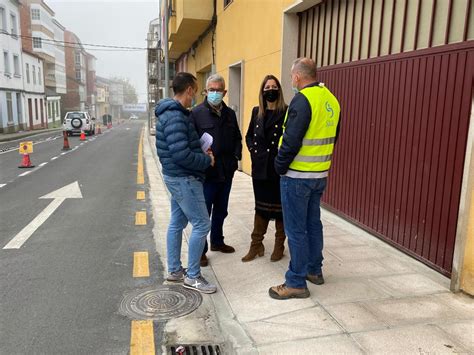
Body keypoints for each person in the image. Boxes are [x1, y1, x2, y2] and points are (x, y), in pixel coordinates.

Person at [269, 58, 341, 300]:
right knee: (313, 224)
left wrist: (279, 166)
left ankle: (296, 282)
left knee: (296, 229)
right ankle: (314, 269)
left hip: (297, 177)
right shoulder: (331, 99)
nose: (292, 81)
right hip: (319, 175)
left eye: (292, 77)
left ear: (297, 76)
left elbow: (291, 139)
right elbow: (334, 137)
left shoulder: (302, 99)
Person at [155, 72, 217, 294]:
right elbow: (181, 154)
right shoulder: (175, 116)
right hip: (184, 178)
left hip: (177, 176)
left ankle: (174, 270)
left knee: (177, 222)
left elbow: (179, 149)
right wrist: (206, 160)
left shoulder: (174, 113)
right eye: (197, 90)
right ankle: (193, 276)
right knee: (202, 224)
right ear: (189, 89)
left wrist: (198, 149)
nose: (196, 96)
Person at [190, 74, 242, 267]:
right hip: (207, 174)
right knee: (204, 213)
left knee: (221, 210)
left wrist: (236, 156)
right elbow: (191, 142)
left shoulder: (230, 114)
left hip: (226, 171)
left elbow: (237, 137)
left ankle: (217, 242)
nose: (214, 93)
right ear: (205, 91)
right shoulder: (196, 114)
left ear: (224, 92)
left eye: (218, 90)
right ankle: (201, 251)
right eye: (211, 90)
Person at [242, 75, 287, 263]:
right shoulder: (256, 112)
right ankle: (256, 245)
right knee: (260, 207)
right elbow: (249, 135)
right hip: (260, 169)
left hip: (277, 168)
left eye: (274, 86)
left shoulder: (286, 111)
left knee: (280, 209)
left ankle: (279, 246)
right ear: (262, 91)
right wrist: (254, 152)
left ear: (279, 89)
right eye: (267, 87)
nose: (270, 90)